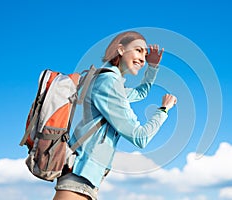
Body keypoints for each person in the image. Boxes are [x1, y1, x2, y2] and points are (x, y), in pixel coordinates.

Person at [53, 31, 177, 200]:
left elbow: (140, 94)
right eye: (138, 50)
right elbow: (140, 137)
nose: (143, 58)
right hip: (79, 177)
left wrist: (152, 67)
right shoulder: (108, 83)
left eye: (144, 53)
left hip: (86, 179)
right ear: (120, 49)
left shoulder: (112, 83)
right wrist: (164, 110)